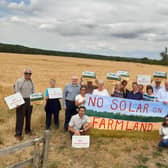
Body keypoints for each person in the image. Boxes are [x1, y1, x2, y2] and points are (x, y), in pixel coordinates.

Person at [14, 69, 35, 140]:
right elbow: (16, 91)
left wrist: (34, 100)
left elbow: (33, 91)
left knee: (28, 117)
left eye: (29, 74)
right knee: (20, 117)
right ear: (24, 74)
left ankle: (28, 130)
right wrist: (18, 101)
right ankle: (18, 134)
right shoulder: (19, 81)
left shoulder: (32, 81)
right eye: (26, 73)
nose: (28, 75)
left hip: (29, 100)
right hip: (21, 100)